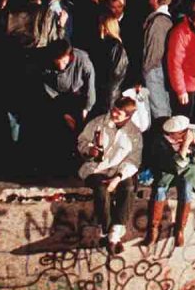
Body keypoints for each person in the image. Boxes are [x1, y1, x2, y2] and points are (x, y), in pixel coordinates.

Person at [76, 96, 142, 254]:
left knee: (128, 188)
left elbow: (134, 160)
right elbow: (81, 142)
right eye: (113, 110)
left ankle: (115, 232)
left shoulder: (134, 132)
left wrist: (118, 177)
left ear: (127, 116)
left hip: (120, 169)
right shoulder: (98, 123)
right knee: (101, 189)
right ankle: (108, 230)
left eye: (118, 113)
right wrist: (88, 150)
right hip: (96, 168)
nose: (113, 114)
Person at [28, 39, 95, 176]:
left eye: (63, 62)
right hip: (56, 98)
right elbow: (45, 88)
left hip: (78, 97)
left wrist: (86, 109)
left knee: (79, 132)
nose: (60, 65)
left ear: (69, 56)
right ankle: (56, 167)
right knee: (57, 130)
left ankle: (77, 167)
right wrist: (62, 113)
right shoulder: (44, 61)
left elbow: (90, 86)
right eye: (56, 62)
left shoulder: (82, 60)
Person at [144, 115, 195, 246]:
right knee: (160, 189)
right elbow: (175, 165)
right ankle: (153, 228)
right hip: (168, 169)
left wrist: (193, 143)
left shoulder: (194, 136)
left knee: (187, 189)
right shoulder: (160, 142)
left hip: (189, 170)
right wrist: (184, 147)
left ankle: (180, 229)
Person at [165, 1, 195, 119]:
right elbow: (175, 64)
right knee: (182, 120)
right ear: (190, 18)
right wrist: (180, 90)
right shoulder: (180, 33)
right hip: (185, 84)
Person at [142, 0, 174, 120]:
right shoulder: (165, 19)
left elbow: (153, 48)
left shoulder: (158, 21)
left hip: (154, 70)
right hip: (160, 69)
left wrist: (146, 69)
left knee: (159, 110)